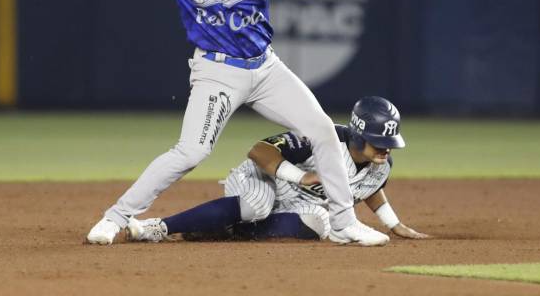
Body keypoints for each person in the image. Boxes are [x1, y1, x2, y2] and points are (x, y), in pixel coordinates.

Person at [86, 0, 390, 247]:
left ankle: (343, 224)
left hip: (265, 68)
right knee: (191, 152)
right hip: (218, 71)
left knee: (323, 130)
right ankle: (115, 217)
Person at [126, 96, 429, 243]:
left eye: (389, 142)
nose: (385, 148)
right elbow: (259, 150)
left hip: (296, 204)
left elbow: (369, 189)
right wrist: (301, 176)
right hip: (260, 181)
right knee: (258, 204)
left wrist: (393, 223)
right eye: (378, 142)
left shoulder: (381, 164)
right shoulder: (323, 137)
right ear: (360, 135)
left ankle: (232, 230)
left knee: (324, 221)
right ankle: (159, 227)